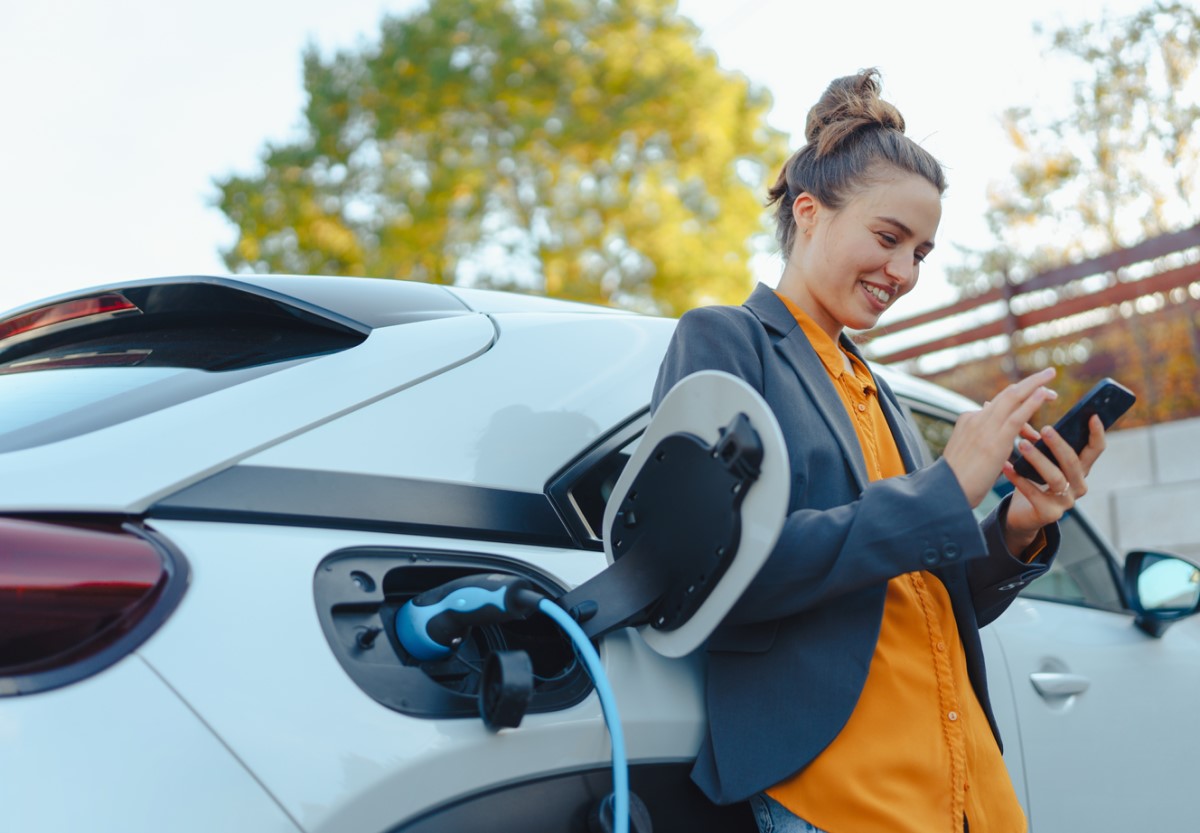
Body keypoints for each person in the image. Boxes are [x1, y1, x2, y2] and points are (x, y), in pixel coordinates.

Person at [651, 68, 1108, 833]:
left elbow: (926, 596)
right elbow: (714, 568)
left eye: (922, 252)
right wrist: (945, 489)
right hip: (843, 794)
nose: (904, 273)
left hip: (966, 791)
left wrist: (1018, 527)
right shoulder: (726, 340)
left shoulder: (876, 385)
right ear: (809, 212)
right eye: (888, 238)